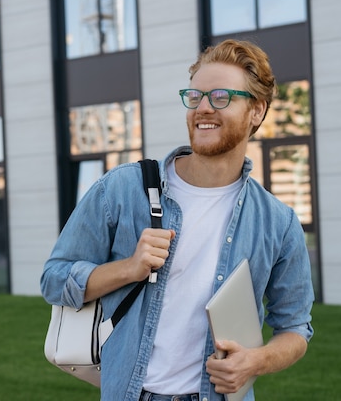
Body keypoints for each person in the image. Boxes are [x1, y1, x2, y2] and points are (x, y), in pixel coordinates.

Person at [41, 39, 314, 401]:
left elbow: (295, 328)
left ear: (256, 111)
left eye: (221, 97)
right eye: (195, 96)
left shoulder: (277, 223)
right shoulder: (122, 189)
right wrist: (129, 268)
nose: (203, 109)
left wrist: (255, 361)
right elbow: (53, 279)